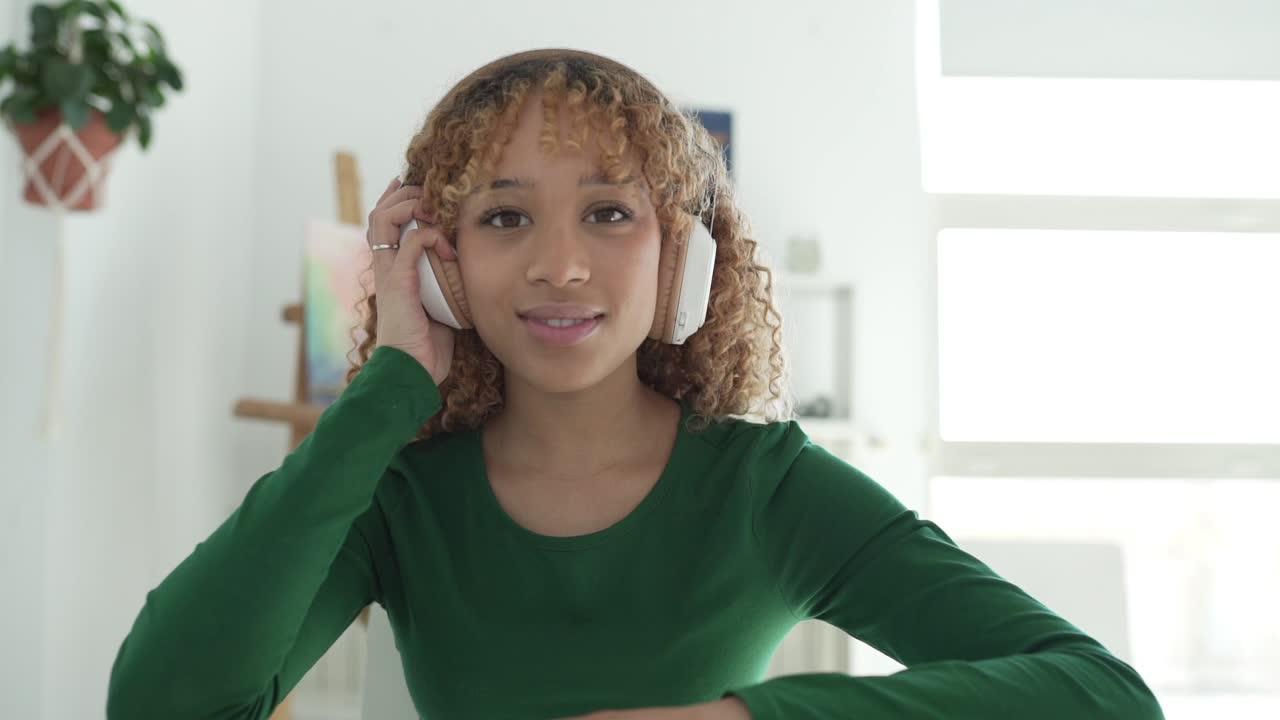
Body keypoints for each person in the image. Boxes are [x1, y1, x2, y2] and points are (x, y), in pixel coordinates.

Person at [106, 49, 1164, 720]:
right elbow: (161, 706)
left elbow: (1100, 697)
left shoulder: (766, 487)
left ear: (682, 257)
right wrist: (384, 391)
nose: (559, 264)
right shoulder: (397, 493)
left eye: (609, 213)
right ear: (442, 263)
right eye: (505, 217)